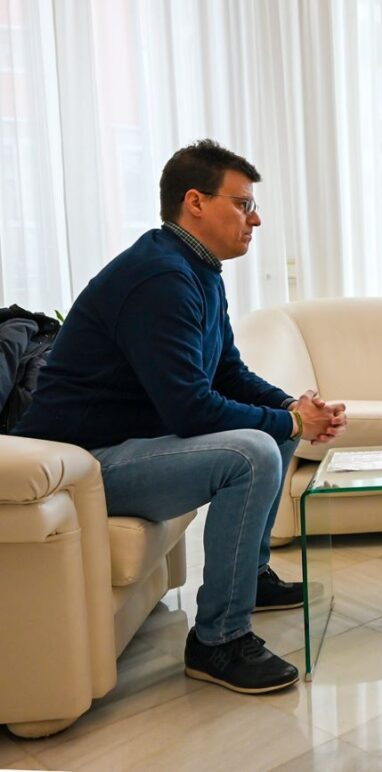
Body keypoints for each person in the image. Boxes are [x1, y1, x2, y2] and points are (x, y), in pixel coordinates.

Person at [14, 139, 347, 694]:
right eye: (243, 204)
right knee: (253, 451)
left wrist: (292, 407)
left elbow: (228, 372)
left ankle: (252, 577)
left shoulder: (196, 270)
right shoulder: (160, 278)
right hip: (83, 466)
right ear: (195, 202)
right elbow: (191, 408)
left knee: (273, 424)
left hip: (124, 446)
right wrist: (293, 424)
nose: (255, 219)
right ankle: (218, 641)